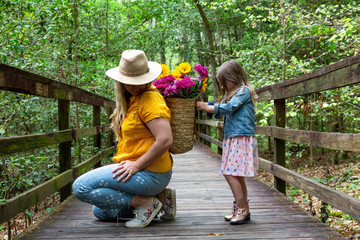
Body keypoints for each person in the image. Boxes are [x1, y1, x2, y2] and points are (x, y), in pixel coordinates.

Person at [72, 49, 176, 228]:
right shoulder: (133, 99)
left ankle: (147, 204)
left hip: (150, 172)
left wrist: (136, 165)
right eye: (129, 82)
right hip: (142, 172)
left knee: (81, 187)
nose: (133, 86)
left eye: (138, 82)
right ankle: (161, 199)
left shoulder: (150, 100)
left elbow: (165, 140)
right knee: (101, 211)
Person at [196, 59, 259, 225]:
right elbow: (220, 107)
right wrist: (203, 105)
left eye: (224, 82)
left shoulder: (244, 91)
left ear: (234, 77)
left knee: (230, 173)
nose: (223, 86)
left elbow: (228, 108)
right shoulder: (232, 94)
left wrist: (206, 107)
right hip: (233, 137)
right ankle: (243, 208)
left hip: (240, 137)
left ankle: (242, 208)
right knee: (235, 174)